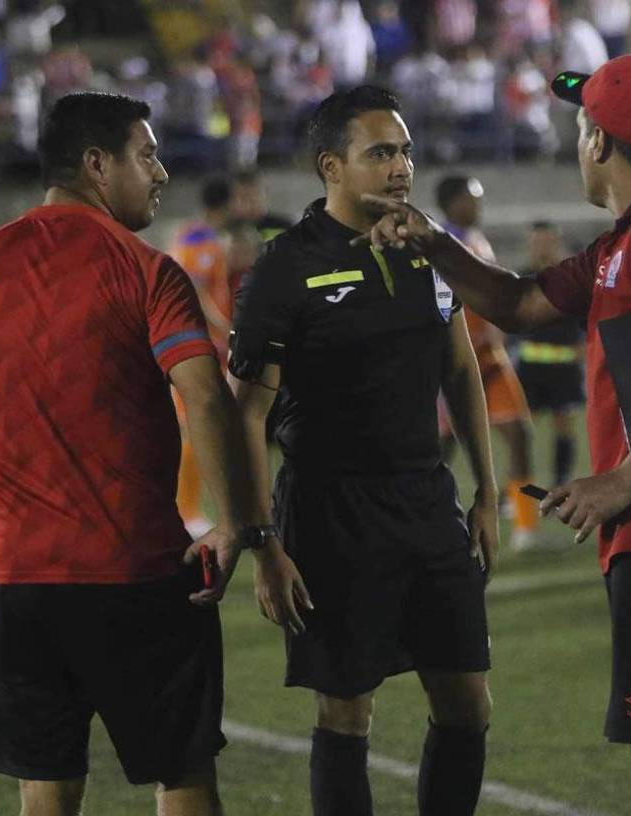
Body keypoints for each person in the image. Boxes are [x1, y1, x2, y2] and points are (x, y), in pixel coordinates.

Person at [357, 55, 631, 816]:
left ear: (601, 143)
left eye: (581, 127)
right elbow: (518, 306)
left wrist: (619, 481)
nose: (577, 143)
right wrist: (433, 242)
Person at [0, 91, 275, 816]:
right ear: (97, 166)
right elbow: (204, 394)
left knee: (44, 793)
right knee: (183, 776)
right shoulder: (146, 269)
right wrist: (233, 526)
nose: (161, 172)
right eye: (148, 155)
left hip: (12, 588)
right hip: (138, 576)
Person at [229, 85, 497, 816]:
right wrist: (263, 546)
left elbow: (461, 365)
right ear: (331, 167)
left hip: (426, 502)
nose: (400, 167)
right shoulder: (284, 269)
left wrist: (487, 494)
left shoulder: (427, 247)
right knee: (347, 714)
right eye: (380, 152)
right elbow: (244, 414)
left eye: (405, 151)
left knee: (469, 703)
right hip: (330, 514)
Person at [436, 174, 538, 551]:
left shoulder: (476, 239)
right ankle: (430, 525)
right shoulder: (441, 245)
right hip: (455, 362)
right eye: (471, 198)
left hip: (489, 358)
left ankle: (526, 527)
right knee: (439, 452)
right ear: (452, 203)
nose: (478, 205)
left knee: (519, 434)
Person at [170, 176, 234, 538]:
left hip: (191, 346)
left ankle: (191, 509)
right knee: (197, 428)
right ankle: (187, 511)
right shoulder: (205, 243)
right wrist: (225, 330)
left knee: (200, 428)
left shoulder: (186, 235)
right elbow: (193, 292)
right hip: (201, 348)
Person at [514, 221, 585, 490]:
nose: (541, 247)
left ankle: (560, 483)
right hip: (529, 366)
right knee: (520, 430)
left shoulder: (569, 276)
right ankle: (519, 486)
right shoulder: (521, 278)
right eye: (536, 242)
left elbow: (584, 314)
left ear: (557, 242)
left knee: (563, 426)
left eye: (547, 241)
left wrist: (585, 344)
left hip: (565, 365)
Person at [230, 166, 294, 242]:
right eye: (243, 199)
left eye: (254, 199)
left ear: (265, 198)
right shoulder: (223, 230)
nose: (248, 206)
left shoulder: (284, 228)